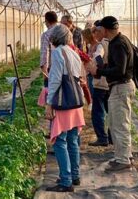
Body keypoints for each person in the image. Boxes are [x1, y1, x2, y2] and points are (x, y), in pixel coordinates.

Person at [86, 16, 135, 173]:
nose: (98, 33)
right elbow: (117, 66)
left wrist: (99, 71)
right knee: (115, 123)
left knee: (119, 124)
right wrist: (103, 67)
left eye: (100, 30)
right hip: (119, 87)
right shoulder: (118, 42)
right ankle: (123, 156)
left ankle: (123, 160)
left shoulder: (118, 44)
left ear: (105, 29)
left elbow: (120, 70)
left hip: (121, 87)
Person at [45, 24, 86, 192]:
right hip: (75, 101)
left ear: (55, 38)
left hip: (64, 103)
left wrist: (49, 103)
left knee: (60, 141)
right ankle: (74, 176)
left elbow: (55, 79)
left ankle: (65, 181)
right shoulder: (73, 52)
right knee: (72, 139)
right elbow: (79, 76)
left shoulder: (57, 53)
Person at [88, 21, 110, 147]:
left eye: (96, 31)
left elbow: (98, 56)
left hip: (100, 84)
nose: (94, 34)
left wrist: (99, 69)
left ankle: (102, 137)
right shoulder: (112, 43)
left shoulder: (101, 45)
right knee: (110, 112)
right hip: (111, 84)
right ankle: (111, 137)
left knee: (98, 112)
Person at [38, 11, 58, 106]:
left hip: (52, 69)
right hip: (65, 69)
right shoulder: (65, 32)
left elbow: (44, 54)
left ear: (47, 21)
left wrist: (45, 72)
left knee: (51, 96)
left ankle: (52, 114)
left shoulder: (46, 34)